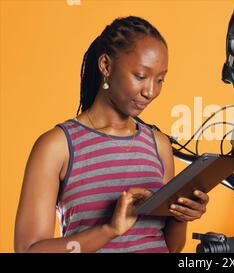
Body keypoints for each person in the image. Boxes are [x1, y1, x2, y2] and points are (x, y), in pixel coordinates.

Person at [14, 16, 209, 253]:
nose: (150, 91)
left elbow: (170, 246)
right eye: (140, 76)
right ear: (106, 65)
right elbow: (29, 250)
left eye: (160, 80)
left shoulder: (158, 145)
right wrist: (109, 230)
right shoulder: (57, 146)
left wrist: (181, 216)